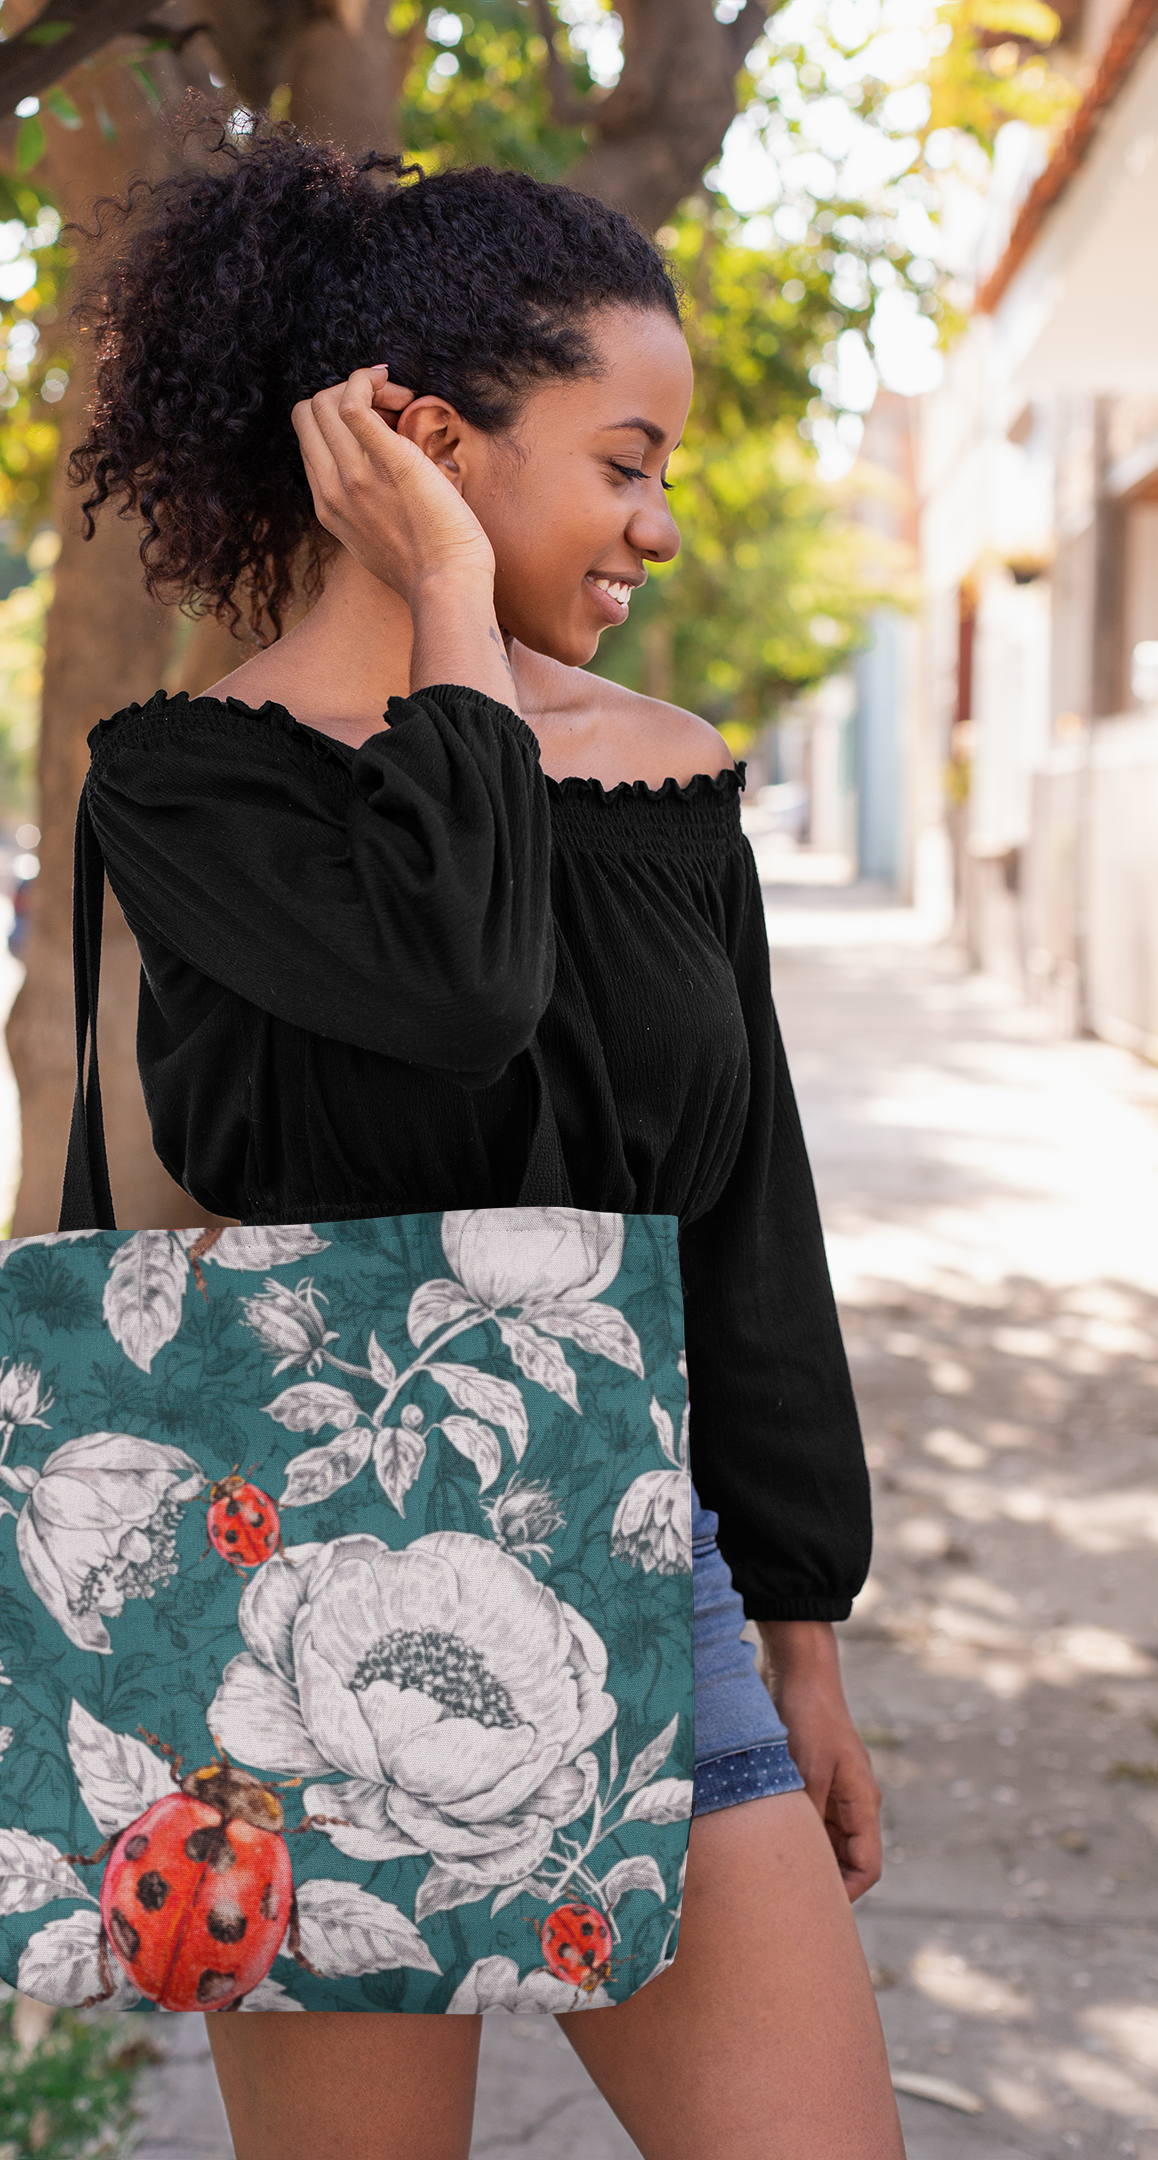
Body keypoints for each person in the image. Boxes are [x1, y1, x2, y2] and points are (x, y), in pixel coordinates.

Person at [68, 119, 904, 2160]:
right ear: (422, 439)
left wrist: (799, 1632)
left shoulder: (671, 781)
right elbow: (457, 990)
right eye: (624, 463)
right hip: (275, 1646)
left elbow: (748, 1223)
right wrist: (448, 594)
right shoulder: (196, 796)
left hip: (641, 1574)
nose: (663, 528)